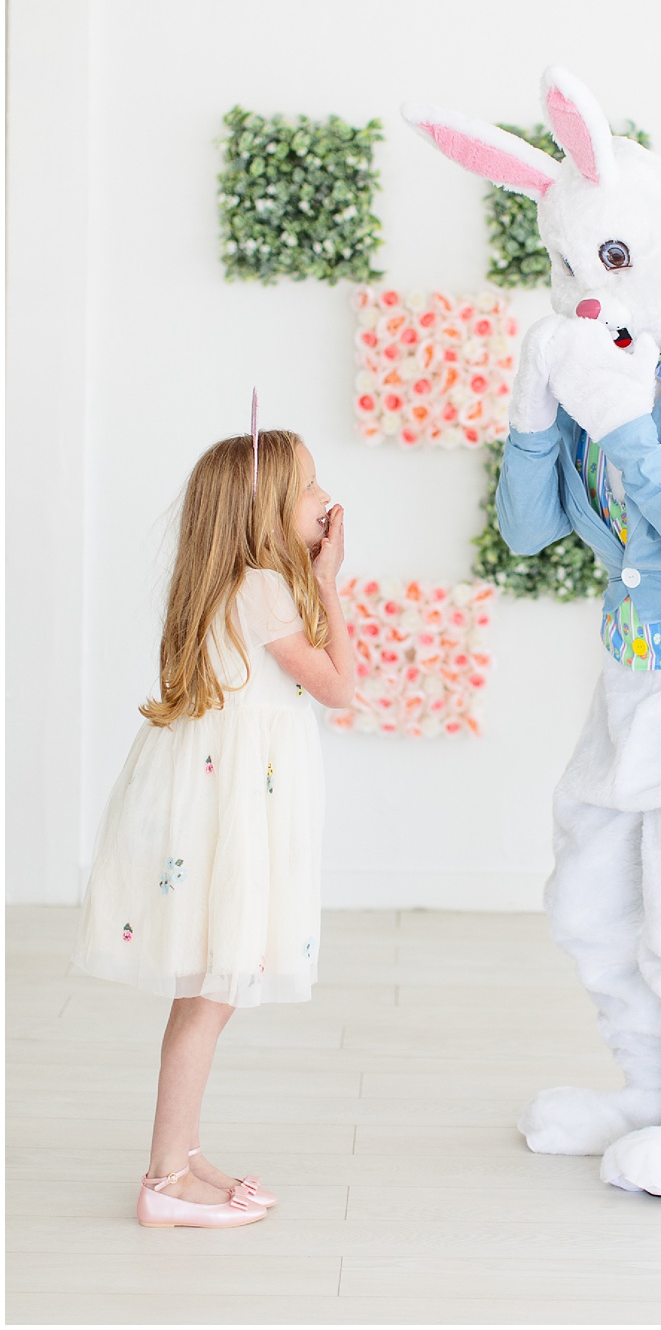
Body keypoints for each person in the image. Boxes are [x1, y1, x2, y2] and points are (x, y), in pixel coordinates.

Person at [74, 429, 354, 1228]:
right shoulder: (265, 587)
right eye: (309, 486)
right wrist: (331, 582)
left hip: (225, 801)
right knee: (210, 991)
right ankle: (165, 1177)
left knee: (208, 988)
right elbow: (339, 687)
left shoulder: (241, 582)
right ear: (266, 507)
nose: (324, 500)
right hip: (235, 810)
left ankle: (182, 1155)